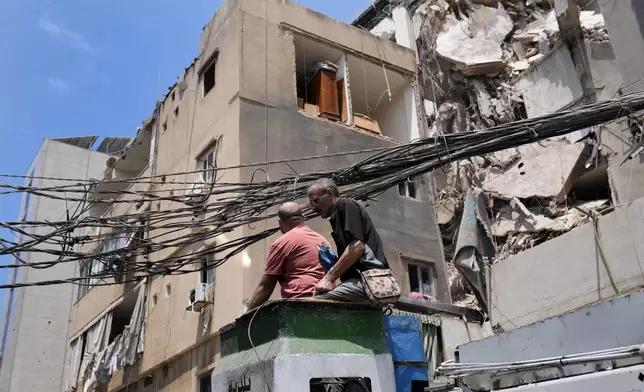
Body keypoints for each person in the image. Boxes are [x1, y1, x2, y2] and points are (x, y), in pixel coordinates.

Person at [307, 178, 390, 302]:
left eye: (316, 201)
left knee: (316, 303)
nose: (314, 208)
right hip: (359, 281)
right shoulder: (337, 215)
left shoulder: (346, 205)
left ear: (330, 194)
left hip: (370, 279)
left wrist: (329, 278)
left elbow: (358, 246)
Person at [247, 202, 329, 309]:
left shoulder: (283, 242)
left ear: (280, 223)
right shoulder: (322, 240)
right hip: (329, 301)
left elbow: (266, 286)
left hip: (299, 304)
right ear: (303, 218)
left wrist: (246, 318)